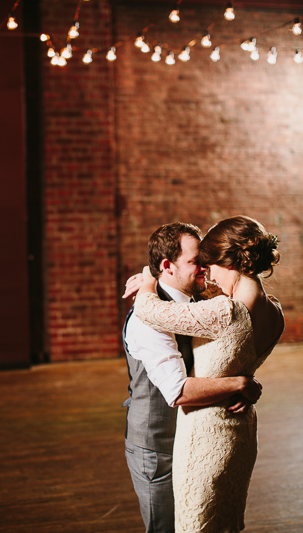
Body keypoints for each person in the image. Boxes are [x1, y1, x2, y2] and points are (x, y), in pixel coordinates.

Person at [132, 216, 284, 532]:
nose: (205, 271)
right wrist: (242, 382)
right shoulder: (274, 310)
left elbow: (148, 310)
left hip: (204, 438)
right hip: (239, 431)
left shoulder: (224, 310)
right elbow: (239, 362)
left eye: (207, 262)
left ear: (222, 263)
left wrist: (147, 281)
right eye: (197, 262)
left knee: (195, 525)